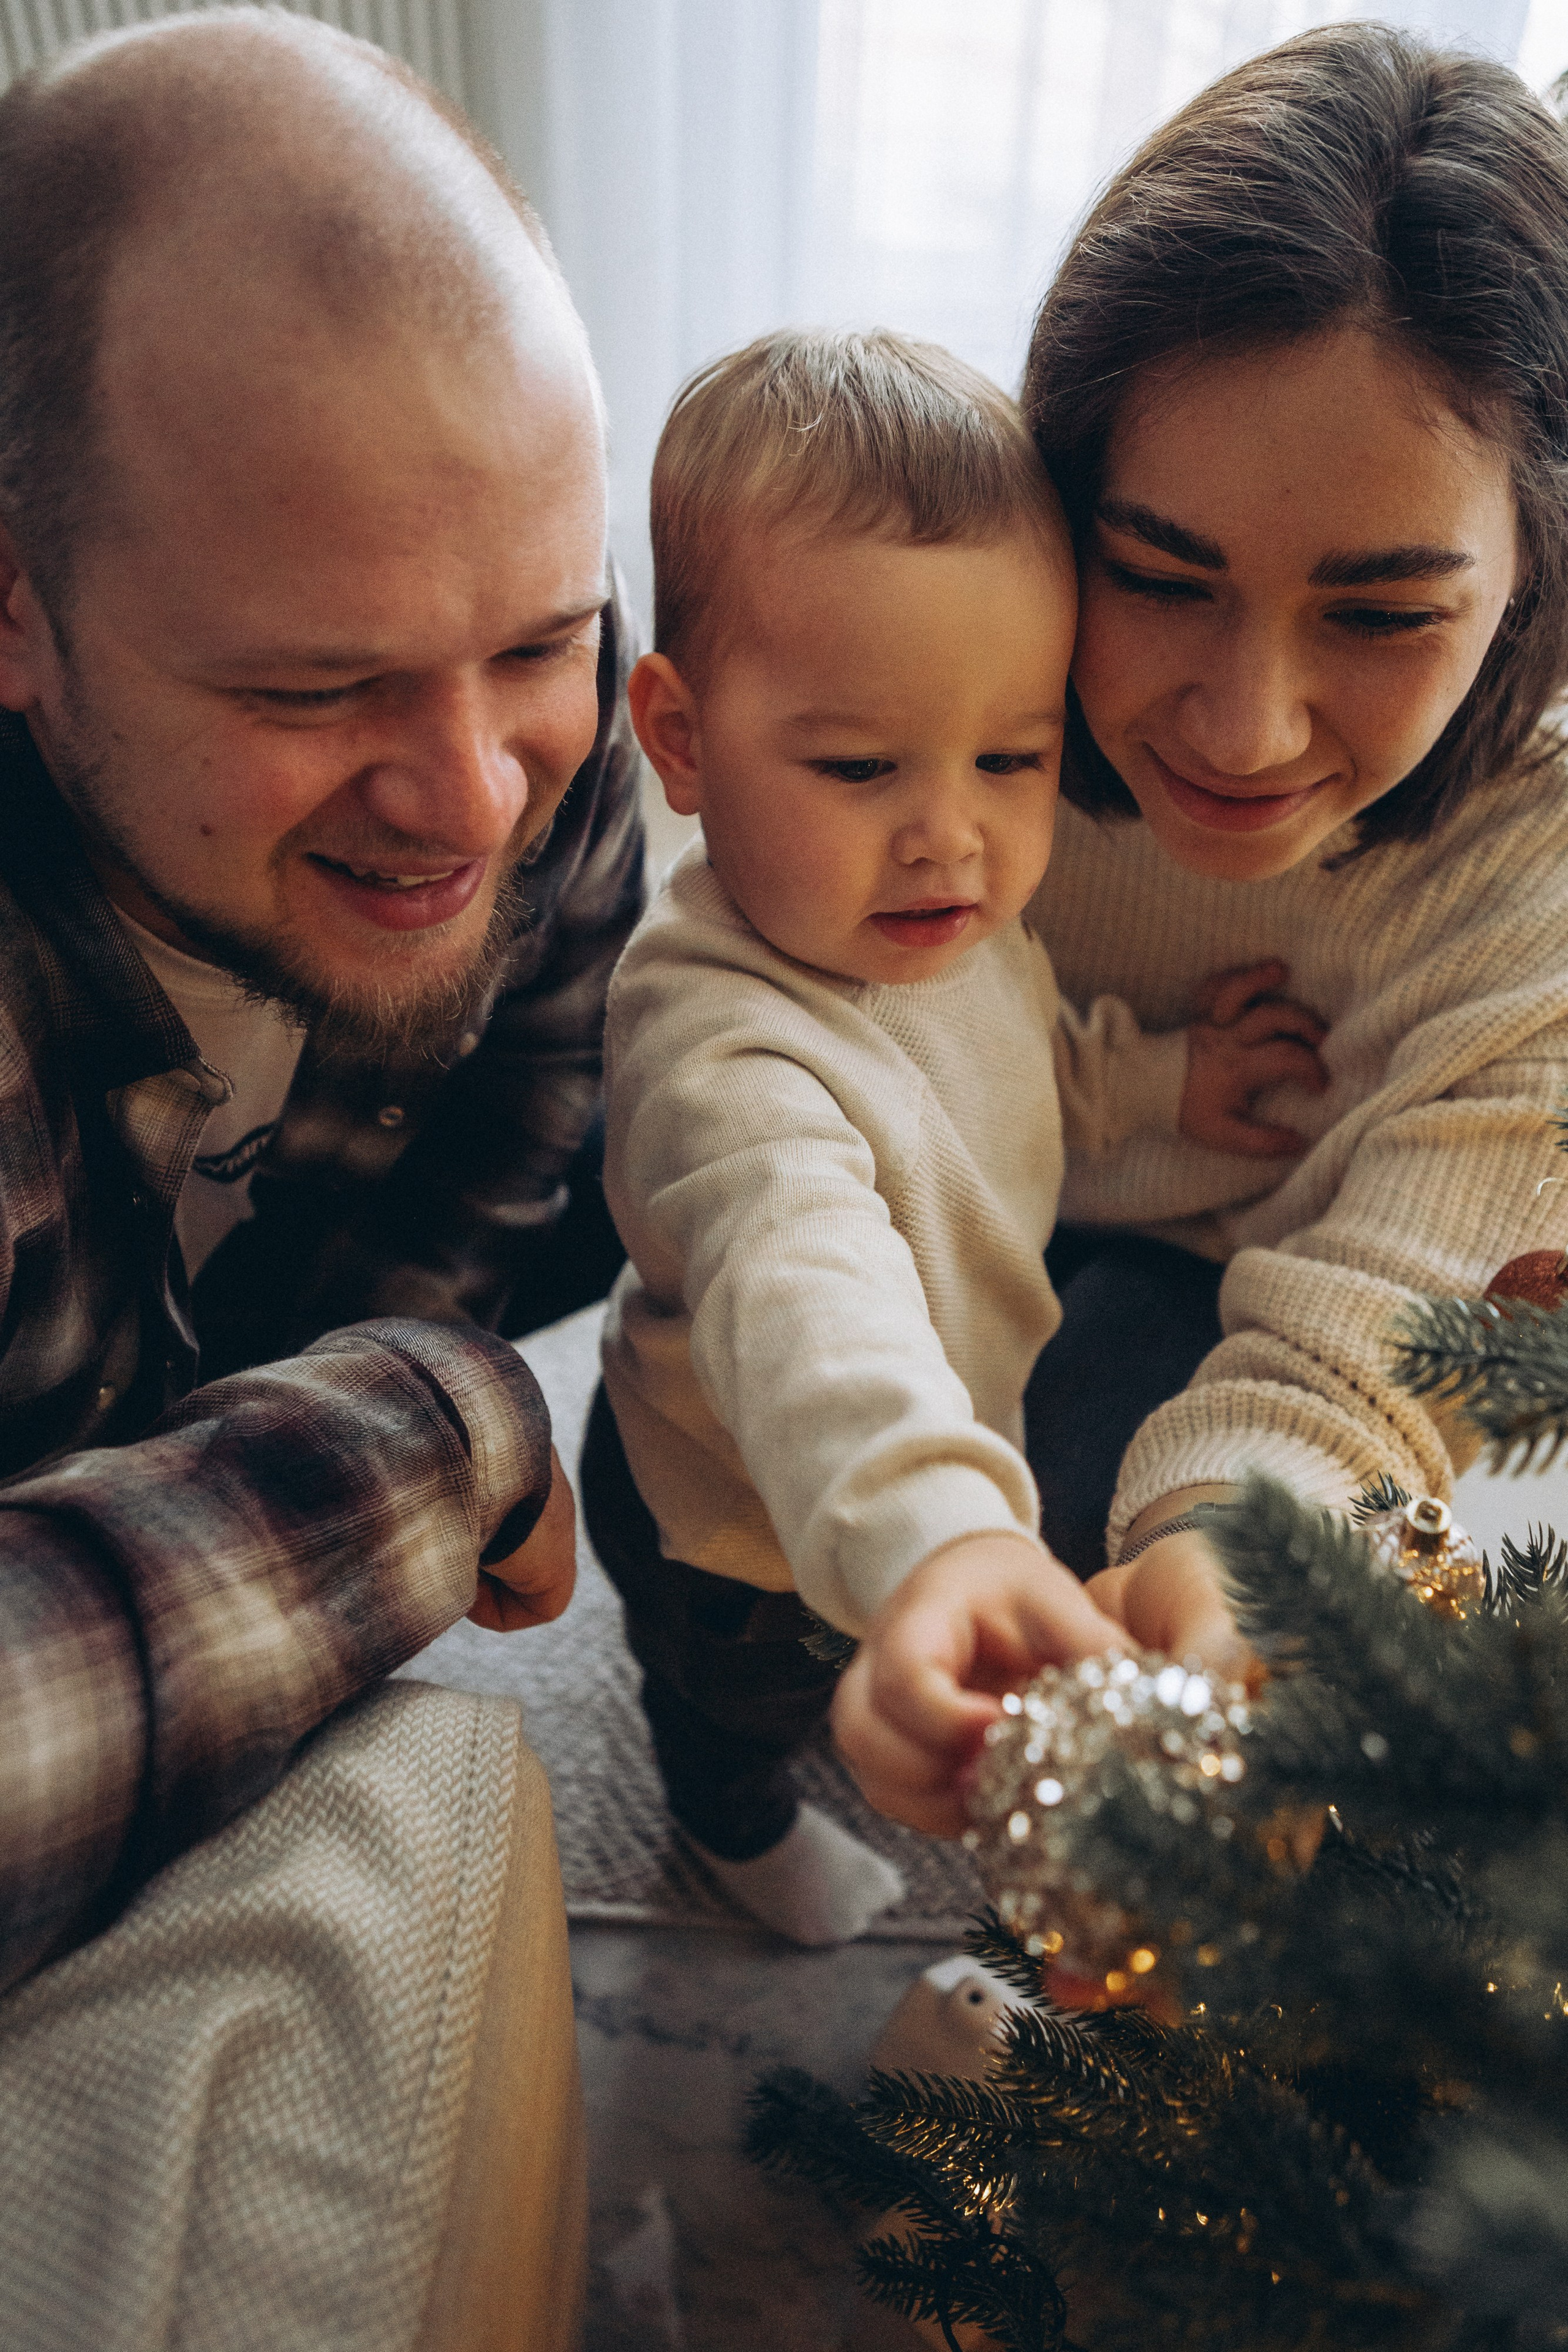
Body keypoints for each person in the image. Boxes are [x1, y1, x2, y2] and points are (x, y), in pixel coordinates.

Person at [0, 12, 640, 2345]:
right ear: (15, 609)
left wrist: (413, 1334)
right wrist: (423, 1426)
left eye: (541, 642)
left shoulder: (539, 752)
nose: (476, 794)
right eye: (312, 691)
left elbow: (519, 1139)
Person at [832, 23, 1568, 1843]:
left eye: (1382, 616)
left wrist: (1237, 1560)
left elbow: (1383, 1331)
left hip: (1233, 1276)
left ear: (1533, 573)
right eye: (1159, 579)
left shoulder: (1537, 866)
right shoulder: (930, 686)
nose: (1243, 733)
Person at [582, 330, 1325, 1945]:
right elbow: (804, 1290)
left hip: (931, 1440)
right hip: (739, 1519)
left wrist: (1161, 1086)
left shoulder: (946, 927)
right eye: (860, 765)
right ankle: (724, 1820)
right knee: (737, 1708)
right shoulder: (715, 1041)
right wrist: (942, 1534)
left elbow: (1014, 1070)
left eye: (1012, 756)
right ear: (681, 739)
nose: (952, 833)